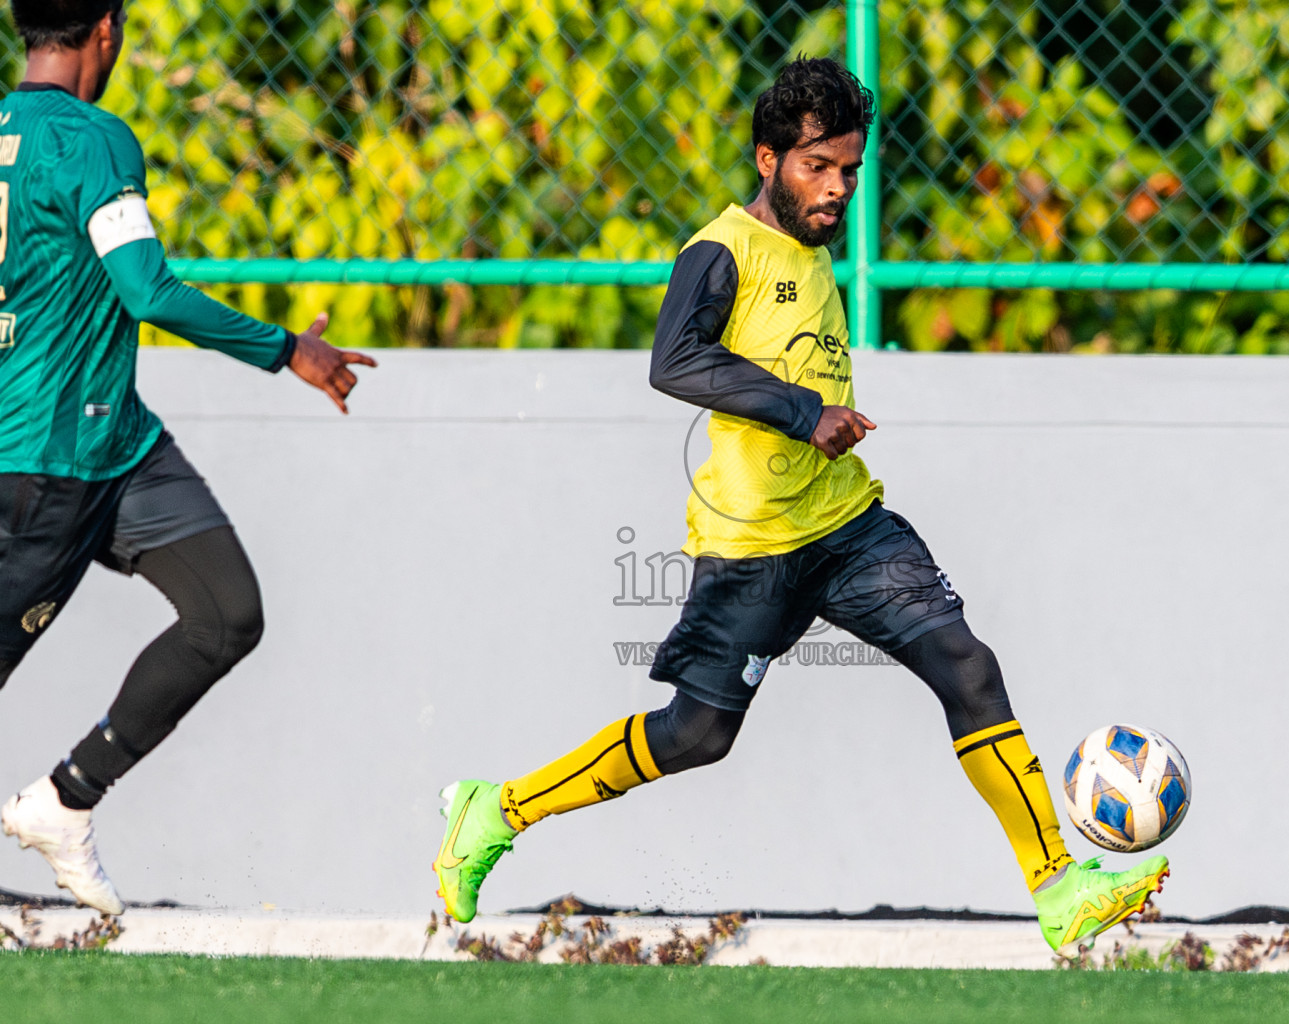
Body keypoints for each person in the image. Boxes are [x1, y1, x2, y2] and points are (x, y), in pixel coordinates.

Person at [433, 57, 1168, 953]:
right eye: (817, 167)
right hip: (754, 548)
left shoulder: (816, 249)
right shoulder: (719, 250)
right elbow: (675, 362)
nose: (836, 188)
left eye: (850, 170)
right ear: (767, 158)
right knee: (697, 736)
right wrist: (802, 411)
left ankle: (1058, 887)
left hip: (850, 528)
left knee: (968, 666)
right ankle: (495, 811)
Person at [0, 0, 375, 915]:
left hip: (116, 446)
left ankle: (64, 801)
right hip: (47, 461)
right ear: (108, 30)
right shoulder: (93, 139)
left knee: (226, 611)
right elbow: (148, 290)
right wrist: (290, 349)